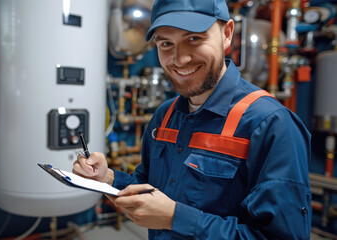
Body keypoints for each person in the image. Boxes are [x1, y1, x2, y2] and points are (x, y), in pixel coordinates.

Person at [73, 0, 312, 239]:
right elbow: (147, 188)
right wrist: (108, 179)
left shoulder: (271, 125)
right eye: (166, 43)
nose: (179, 59)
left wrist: (174, 218)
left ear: (227, 34)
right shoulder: (164, 117)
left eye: (194, 39)